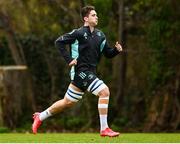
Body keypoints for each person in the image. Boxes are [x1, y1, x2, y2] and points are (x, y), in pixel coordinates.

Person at [32, 5, 123, 137]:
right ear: (86, 18)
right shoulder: (79, 33)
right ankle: (104, 128)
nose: (96, 17)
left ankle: (40, 116)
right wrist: (69, 59)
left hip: (90, 72)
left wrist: (116, 51)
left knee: (67, 102)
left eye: (97, 15)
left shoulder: (100, 35)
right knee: (104, 91)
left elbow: (107, 53)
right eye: (93, 15)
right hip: (80, 71)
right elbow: (59, 42)